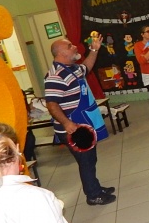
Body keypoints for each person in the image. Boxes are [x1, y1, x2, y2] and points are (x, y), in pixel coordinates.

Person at [45, 37, 116, 206]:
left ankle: (94, 187)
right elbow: (52, 104)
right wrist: (66, 123)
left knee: (90, 159)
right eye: (70, 46)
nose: (75, 47)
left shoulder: (74, 68)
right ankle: (93, 195)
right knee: (86, 161)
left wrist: (94, 50)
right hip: (72, 128)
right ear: (61, 53)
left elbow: (87, 67)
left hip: (83, 124)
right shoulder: (55, 76)